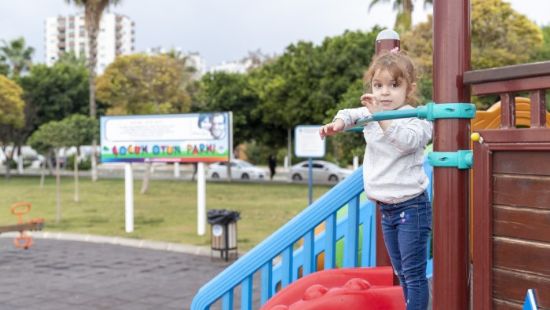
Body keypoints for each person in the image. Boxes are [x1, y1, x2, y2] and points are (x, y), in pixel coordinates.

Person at [319, 50, 432, 310]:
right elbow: (349, 113)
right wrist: (336, 124)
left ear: (409, 88)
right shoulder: (374, 111)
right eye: (378, 85)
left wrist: (379, 118)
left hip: (411, 207)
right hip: (387, 209)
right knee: (401, 271)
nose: (384, 92)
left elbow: (407, 142)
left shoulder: (416, 117)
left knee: (413, 274)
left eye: (394, 85)